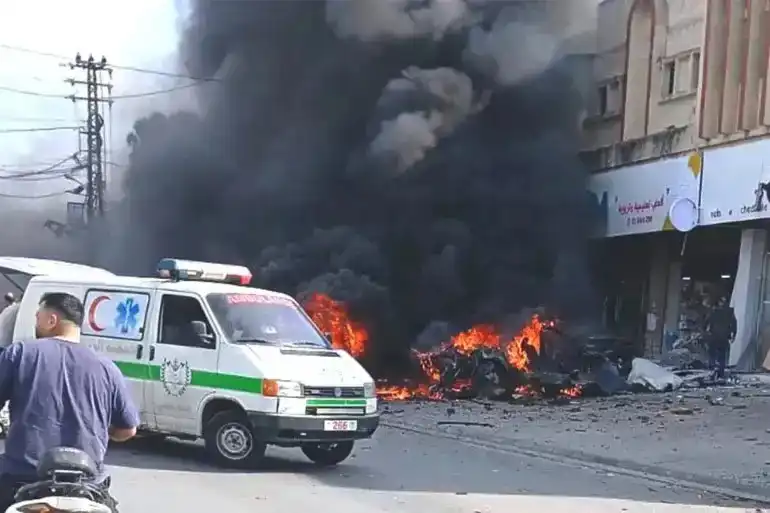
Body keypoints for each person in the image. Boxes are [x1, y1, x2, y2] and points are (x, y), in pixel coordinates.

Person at [0, 292, 140, 512]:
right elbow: (128, 429)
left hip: (22, 480)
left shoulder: (20, 353)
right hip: (87, 486)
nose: (35, 323)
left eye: (38, 316)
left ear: (51, 320)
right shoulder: (107, 368)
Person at [705, 295, 737, 380]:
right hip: (723, 336)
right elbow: (734, 324)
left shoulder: (715, 311)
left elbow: (707, 321)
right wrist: (733, 334)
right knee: (721, 355)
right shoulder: (729, 312)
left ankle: (714, 369)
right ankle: (719, 371)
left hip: (716, 336)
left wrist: (706, 331)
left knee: (714, 354)